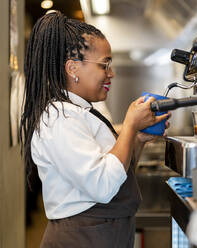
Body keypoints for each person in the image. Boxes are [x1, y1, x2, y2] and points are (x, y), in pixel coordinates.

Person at [20, 11, 169, 247]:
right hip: (82, 238)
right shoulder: (59, 118)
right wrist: (129, 125)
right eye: (104, 64)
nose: (112, 73)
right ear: (72, 68)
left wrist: (137, 139)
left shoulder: (82, 111)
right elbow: (102, 185)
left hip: (105, 235)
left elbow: (117, 174)